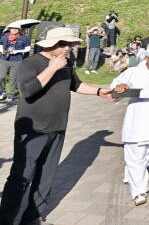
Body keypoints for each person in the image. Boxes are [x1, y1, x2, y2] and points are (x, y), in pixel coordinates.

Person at [0, 27, 112, 224]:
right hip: (33, 131)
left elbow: (76, 85)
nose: (68, 48)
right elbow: (28, 90)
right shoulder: (31, 62)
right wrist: (52, 68)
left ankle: (31, 218)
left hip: (57, 128)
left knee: (46, 177)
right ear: (51, 44)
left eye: (70, 44)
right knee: (22, 176)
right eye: (64, 44)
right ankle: (7, 219)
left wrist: (100, 91)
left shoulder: (66, 64)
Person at [111, 44, 149, 206]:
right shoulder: (133, 72)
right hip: (136, 123)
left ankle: (131, 176)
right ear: (147, 59)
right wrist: (120, 87)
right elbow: (115, 85)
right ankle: (139, 191)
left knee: (144, 157)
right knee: (135, 158)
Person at [0, 25, 31, 102]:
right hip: (4, 59)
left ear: (19, 29)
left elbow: (28, 48)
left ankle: (10, 94)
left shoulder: (24, 38)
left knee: (13, 78)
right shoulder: (4, 37)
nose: (14, 30)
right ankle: (1, 92)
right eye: (12, 28)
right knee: (1, 77)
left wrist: (17, 51)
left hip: (17, 60)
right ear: (9, 29)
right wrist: (1, 50)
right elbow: (0, 45)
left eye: (16, 28)